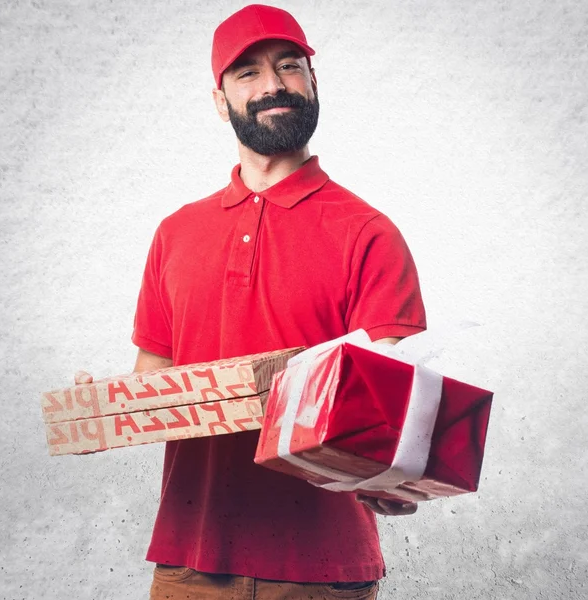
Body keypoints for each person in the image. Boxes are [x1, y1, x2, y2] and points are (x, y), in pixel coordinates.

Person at [77, 4, 427, 599]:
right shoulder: (175, 233)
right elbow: (156, 384)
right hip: (190, 563)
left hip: (322, 568)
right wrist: (106, 409)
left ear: (313, 84)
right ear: (220, 100)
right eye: (247, 73)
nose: (273, 84)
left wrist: (389, 472)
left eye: (289, 65)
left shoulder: (368, 232)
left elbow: (395, 412)